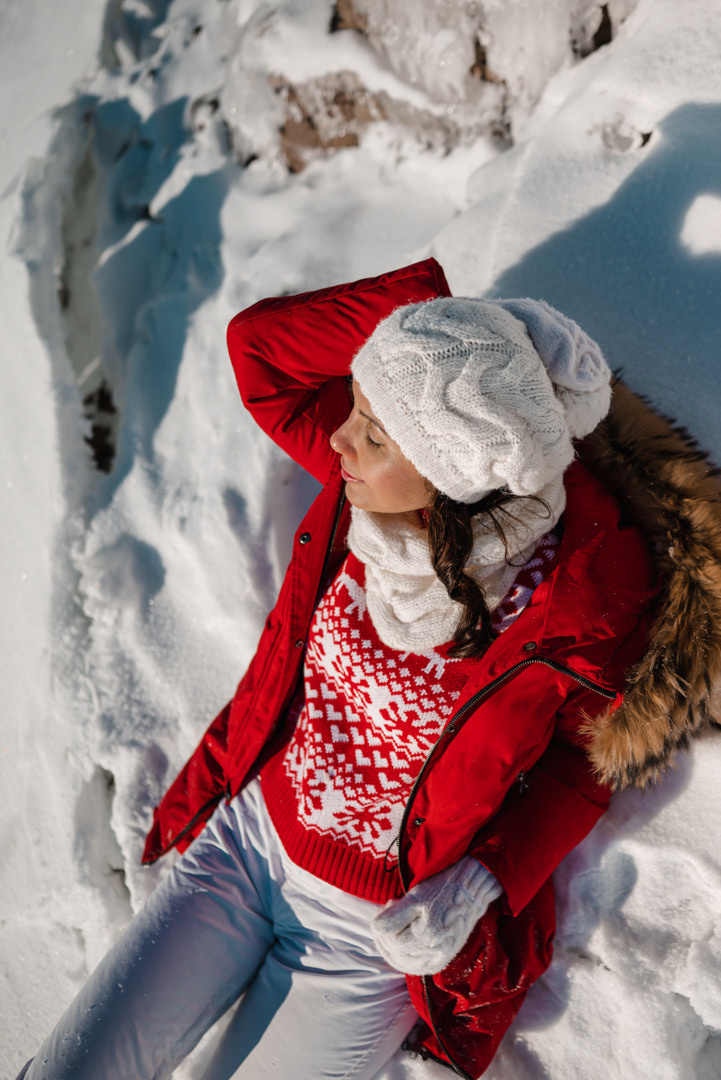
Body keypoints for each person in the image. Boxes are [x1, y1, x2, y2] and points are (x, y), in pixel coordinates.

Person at [18, 259, 721, 1080]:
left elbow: (583, 759)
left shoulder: (578, 602)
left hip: (367, 938)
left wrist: (484, 881)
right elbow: (261, 354)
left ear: (452, 475)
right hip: (246, 845)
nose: (341, 439)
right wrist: (435, 330)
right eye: (354, 406)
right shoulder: (366, 492)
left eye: (374, 432)